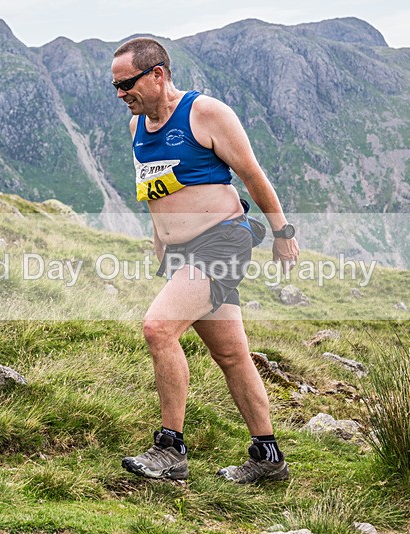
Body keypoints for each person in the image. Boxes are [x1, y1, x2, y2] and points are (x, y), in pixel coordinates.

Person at [111, 37, 300, 484]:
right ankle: (268, 459)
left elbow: (252, 174)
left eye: (127, 84)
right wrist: (161, 244)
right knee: (232, 355)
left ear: (158, 73)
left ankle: (170, 449)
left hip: (222, 242)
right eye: (115, 87)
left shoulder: (205, 114)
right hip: (181, 255)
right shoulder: (136, 126)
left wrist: (283, 233)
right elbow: (154, 190)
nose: (121, 95)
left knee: (158, 328)